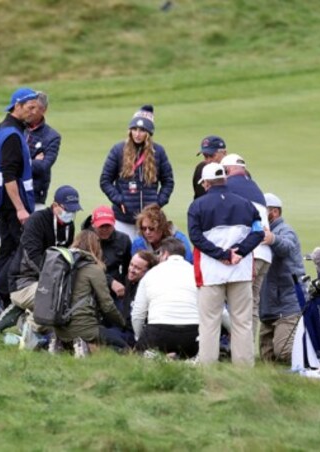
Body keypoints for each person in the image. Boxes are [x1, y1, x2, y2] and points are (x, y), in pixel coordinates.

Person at [187, 162, 264, 366]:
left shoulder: (197, 206)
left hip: (211, 274)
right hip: (240, 271)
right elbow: (258, 231)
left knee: (209, 323)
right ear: (224, 180)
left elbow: (195, 237)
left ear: (206, 183)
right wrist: (240, 251)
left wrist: (221, 255)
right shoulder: (246, 204)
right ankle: (244, 371)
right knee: (242, 322)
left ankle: (208, 370)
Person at [0, 88, 40, 315]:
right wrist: (21, 209)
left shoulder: (5, 128)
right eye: (30, 107)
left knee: (7, 249)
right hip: (12, 203)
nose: (34, 112)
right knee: (21, 252)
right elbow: (9, 175)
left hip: (0, 202)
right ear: (17, 106)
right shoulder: (13, 135)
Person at [0, 185, 81, 334]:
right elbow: (33, 258)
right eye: (67, 209)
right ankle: (27, 325)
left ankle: (25, 313)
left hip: (43, 282)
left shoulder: (68, 227)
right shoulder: (36, 220)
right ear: (55, 206)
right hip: (22, 282)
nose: (70, 214)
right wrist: (53, 282)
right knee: (55, 300)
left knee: (62, 302)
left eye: (74, 211)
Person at [99, 105, 174, 239]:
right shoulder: (118, 150)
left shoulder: (159, 152)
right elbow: (105, 180)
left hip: (149, 222)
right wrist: (119, 200)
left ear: (149, 133)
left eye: (142, 130)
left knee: (147, 257)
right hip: (123, 219)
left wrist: (158, 202)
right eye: (134, 129)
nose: (137, 134)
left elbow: (168, 181)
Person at [221, 153, 272, 345]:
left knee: (234, 303)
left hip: (248, 254)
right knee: (251, 304)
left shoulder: (229, 186)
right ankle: (247, 350)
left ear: (227, 170)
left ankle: (238, 349)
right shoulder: (255, 187)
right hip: (264, 255)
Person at [52, 230, 128, 357]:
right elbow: (107, 306)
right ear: (95, 247)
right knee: (123, 346)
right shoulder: (94, 270)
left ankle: (64, 344)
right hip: (84, 328)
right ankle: (85, 345)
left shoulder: (62, 266)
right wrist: (123, 324)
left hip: (58, 328)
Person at [132, 237, 200, 359]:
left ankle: (156, 357)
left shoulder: (151, 274)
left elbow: (138, 314)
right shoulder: (196, 272)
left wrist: (139, 338)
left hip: (158, 331)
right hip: (193, 332)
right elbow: (216, 308)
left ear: (165, 254)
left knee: (138, 354)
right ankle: (185, 359)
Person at [259, 193, 304, 363]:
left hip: (287, 304)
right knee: (267, 360)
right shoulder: (261, 231)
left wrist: (273, 239)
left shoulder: (285, 230)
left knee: (284, 351)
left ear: (275, 212)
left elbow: (286, 246)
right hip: (268, 306)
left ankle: (314, 361)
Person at [27, 91, 61, 211]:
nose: (29, 111)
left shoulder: (52, 136)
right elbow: (6, 161)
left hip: (35, 195)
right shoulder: (15, 128)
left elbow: (43, 166)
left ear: (43, 110)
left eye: (33, 108)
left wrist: (17, 163)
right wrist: (33, 161)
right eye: (28, 106)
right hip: (10, 192)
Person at [192, 135, 227, 199]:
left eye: (212, 156)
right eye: (205, 156)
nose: (208, 160)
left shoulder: (233, 171)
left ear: (224, 153)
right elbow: (198, 197)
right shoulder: (201, 169)